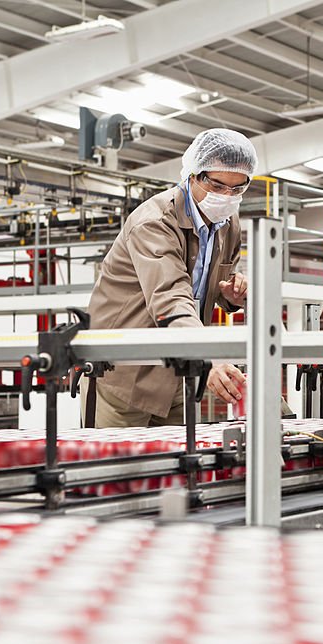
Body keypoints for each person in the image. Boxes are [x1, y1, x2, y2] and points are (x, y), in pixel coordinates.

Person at [83, 129, 256, 428]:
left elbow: (209, 286)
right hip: (125, 376)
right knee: (119, 471)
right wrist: (209, 358)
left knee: (176, 468)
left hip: (180, 370)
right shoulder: (154, 223)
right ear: (193, 175)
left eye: (237, 189)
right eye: (217, 186)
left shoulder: (228, 223)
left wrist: (232, 295)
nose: (227, 197)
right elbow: (171, 298)